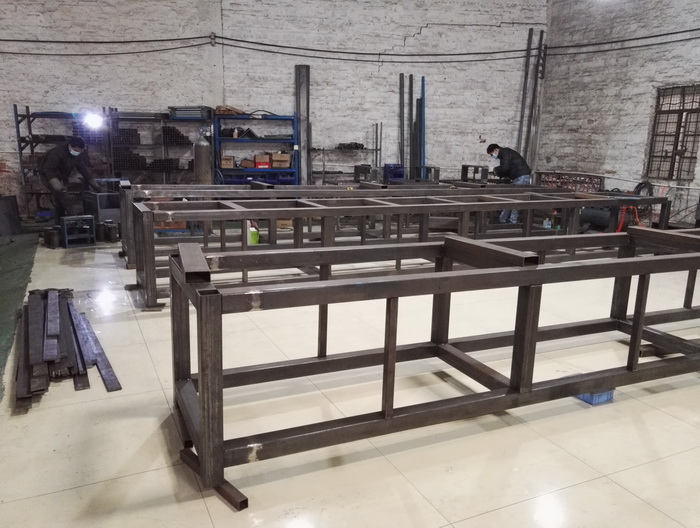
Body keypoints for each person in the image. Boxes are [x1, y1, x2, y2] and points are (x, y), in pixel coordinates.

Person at [39, 136, 103, 218]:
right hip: (48, 174)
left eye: (79, 151)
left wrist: (95, 185)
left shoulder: (77, 155)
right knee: (61, 195)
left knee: (61, 198)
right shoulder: (57, 153)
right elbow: (48, 169)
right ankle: (71, 218)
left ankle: (64, 219)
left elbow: (83, 169)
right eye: (75, 150)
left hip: (62, 174)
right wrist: (56, 184)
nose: (77, 152)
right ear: (70, 146)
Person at [487, 143, 532, 224]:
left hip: (522, 176)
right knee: (511, 198)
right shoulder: (505, 154)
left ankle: (512, 221)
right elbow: (506, 169)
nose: (492, 156)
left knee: (517, 199)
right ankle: (503, 219)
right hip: (519, 177)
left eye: (492, 154)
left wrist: (494, 169)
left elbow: (505, 167)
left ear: (496, 150)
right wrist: (498, 174)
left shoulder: (505, 153)